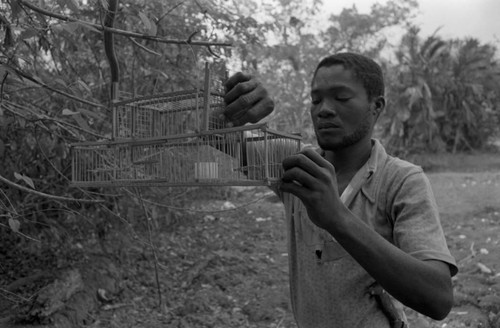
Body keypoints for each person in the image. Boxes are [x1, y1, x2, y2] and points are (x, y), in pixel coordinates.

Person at [222, 52, 458, 328]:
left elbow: (438, 298)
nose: (324, 109)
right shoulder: (296, 165)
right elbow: (215, 137)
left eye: (341, 98)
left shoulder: (402, 180)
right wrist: (232, 109)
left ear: (376, 106)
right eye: (316, 99)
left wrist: (336, 217)